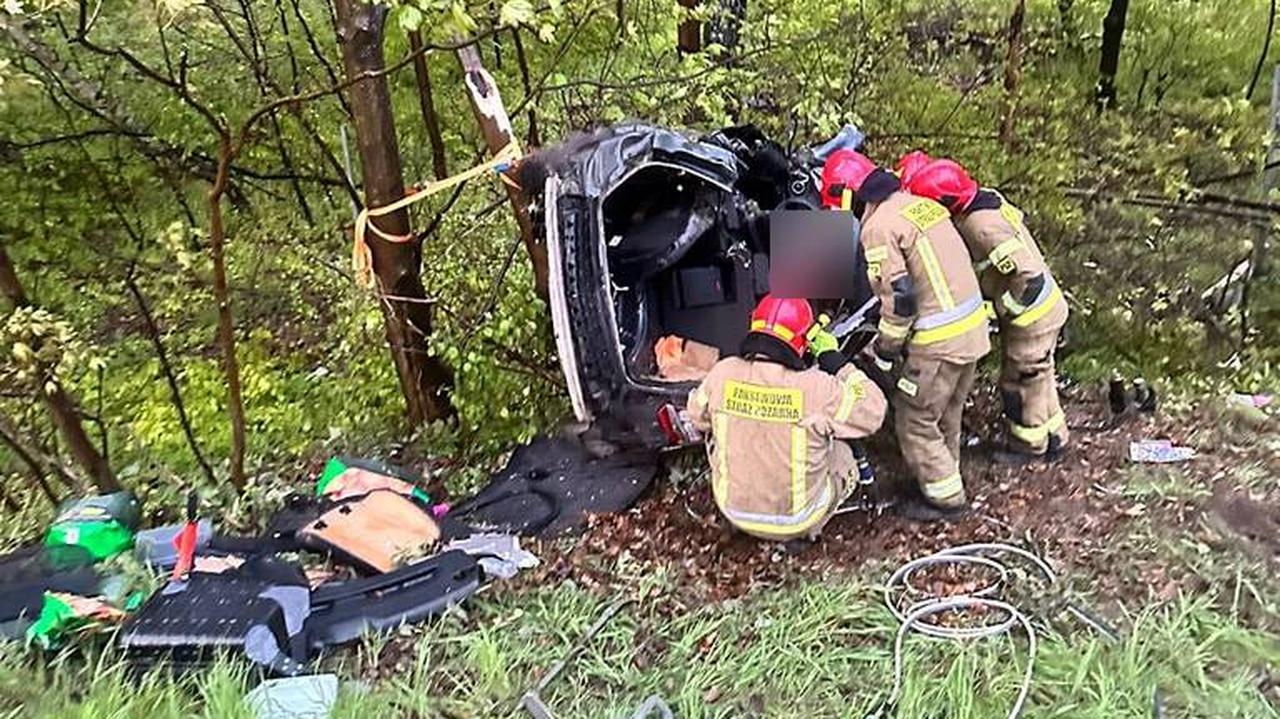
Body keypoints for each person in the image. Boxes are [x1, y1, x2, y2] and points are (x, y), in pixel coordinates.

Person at [820, 149, 990, 519]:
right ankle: (944, 476)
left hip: (939, 341)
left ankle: (945, 500)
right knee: (945, 414)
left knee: (914, 419)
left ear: (848, 195)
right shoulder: (917, 205)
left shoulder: (878, 227)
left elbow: (900, 298)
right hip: (971, 331)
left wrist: (885, 349)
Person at [901, 156, 1070, 462]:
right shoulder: (988, 200)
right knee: (1042, 376)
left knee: (1019, 382)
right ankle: (1056, 438)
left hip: (1031, 316)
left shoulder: (980, 227)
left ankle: (1029, 448)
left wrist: (1003, 309)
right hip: (1047, 307)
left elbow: (1027, 276)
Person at [686, 295, 886, 542]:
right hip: (796, 521)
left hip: (732, 510)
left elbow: (697, 418)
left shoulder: (723, 373)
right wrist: (836, 362)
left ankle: (749, 507)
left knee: (718, 432)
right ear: (803, 342)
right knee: (844, 453)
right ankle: (807, 532)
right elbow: (873, 410)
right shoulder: (816, 388)